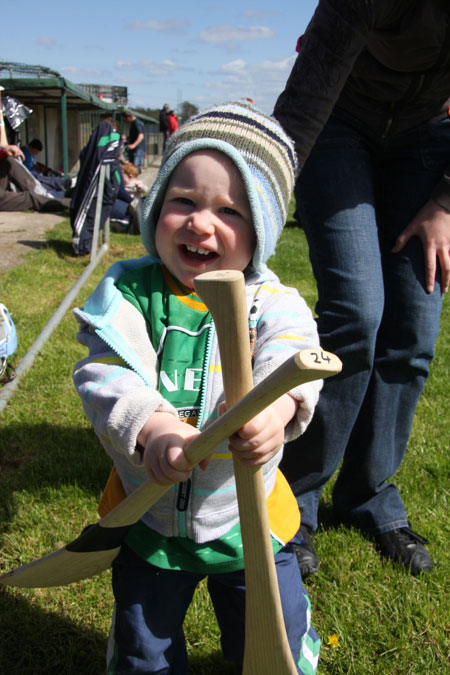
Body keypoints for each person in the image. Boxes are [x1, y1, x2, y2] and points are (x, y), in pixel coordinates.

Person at [72, 101, 323, 674]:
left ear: (260, 228)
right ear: (158, 206)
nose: (200, 223)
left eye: (230, 210)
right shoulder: (129, 294)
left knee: (270, 629)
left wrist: (276, 408)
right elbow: (103, 371)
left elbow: (293, 356)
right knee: (145, 644)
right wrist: (151, 425)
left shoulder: (271, 301)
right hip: (150, 520)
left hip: (249, 518)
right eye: (183, 201)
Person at [273, 0, 450, 577]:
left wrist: (445, 203)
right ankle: (293, 504)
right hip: (339, 125)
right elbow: (305, 97)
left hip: (430, 138)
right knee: (356, 313)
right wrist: (258, 205)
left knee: (414, 328)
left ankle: (368, 493)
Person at [0, 143, 69, 212]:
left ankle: (41, 194)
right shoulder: (26, 151)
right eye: (35, 151)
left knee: (8, 160)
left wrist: (4, 150)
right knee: (29, 198)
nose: (36, 153)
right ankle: (71, 203)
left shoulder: (31, 156)